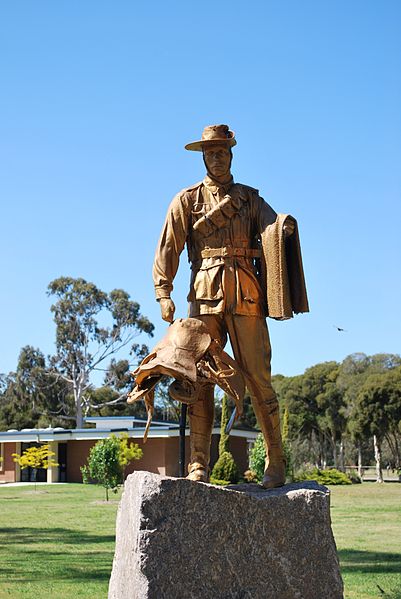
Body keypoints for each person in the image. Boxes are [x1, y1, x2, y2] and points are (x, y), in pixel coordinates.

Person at [153, 124, 309, 488]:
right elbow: (167, 247)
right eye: (210, 153)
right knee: (201, 378)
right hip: (204, 294)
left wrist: (283, 227)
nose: (216, 158)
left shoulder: (249, 198)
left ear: (231, 155)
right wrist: (164, 292)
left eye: (222, 151)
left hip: (246, 293)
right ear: (203, 157)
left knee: (258, 377)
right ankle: (198, 464)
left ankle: (276, 464)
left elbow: (272, 225)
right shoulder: (186, 201)